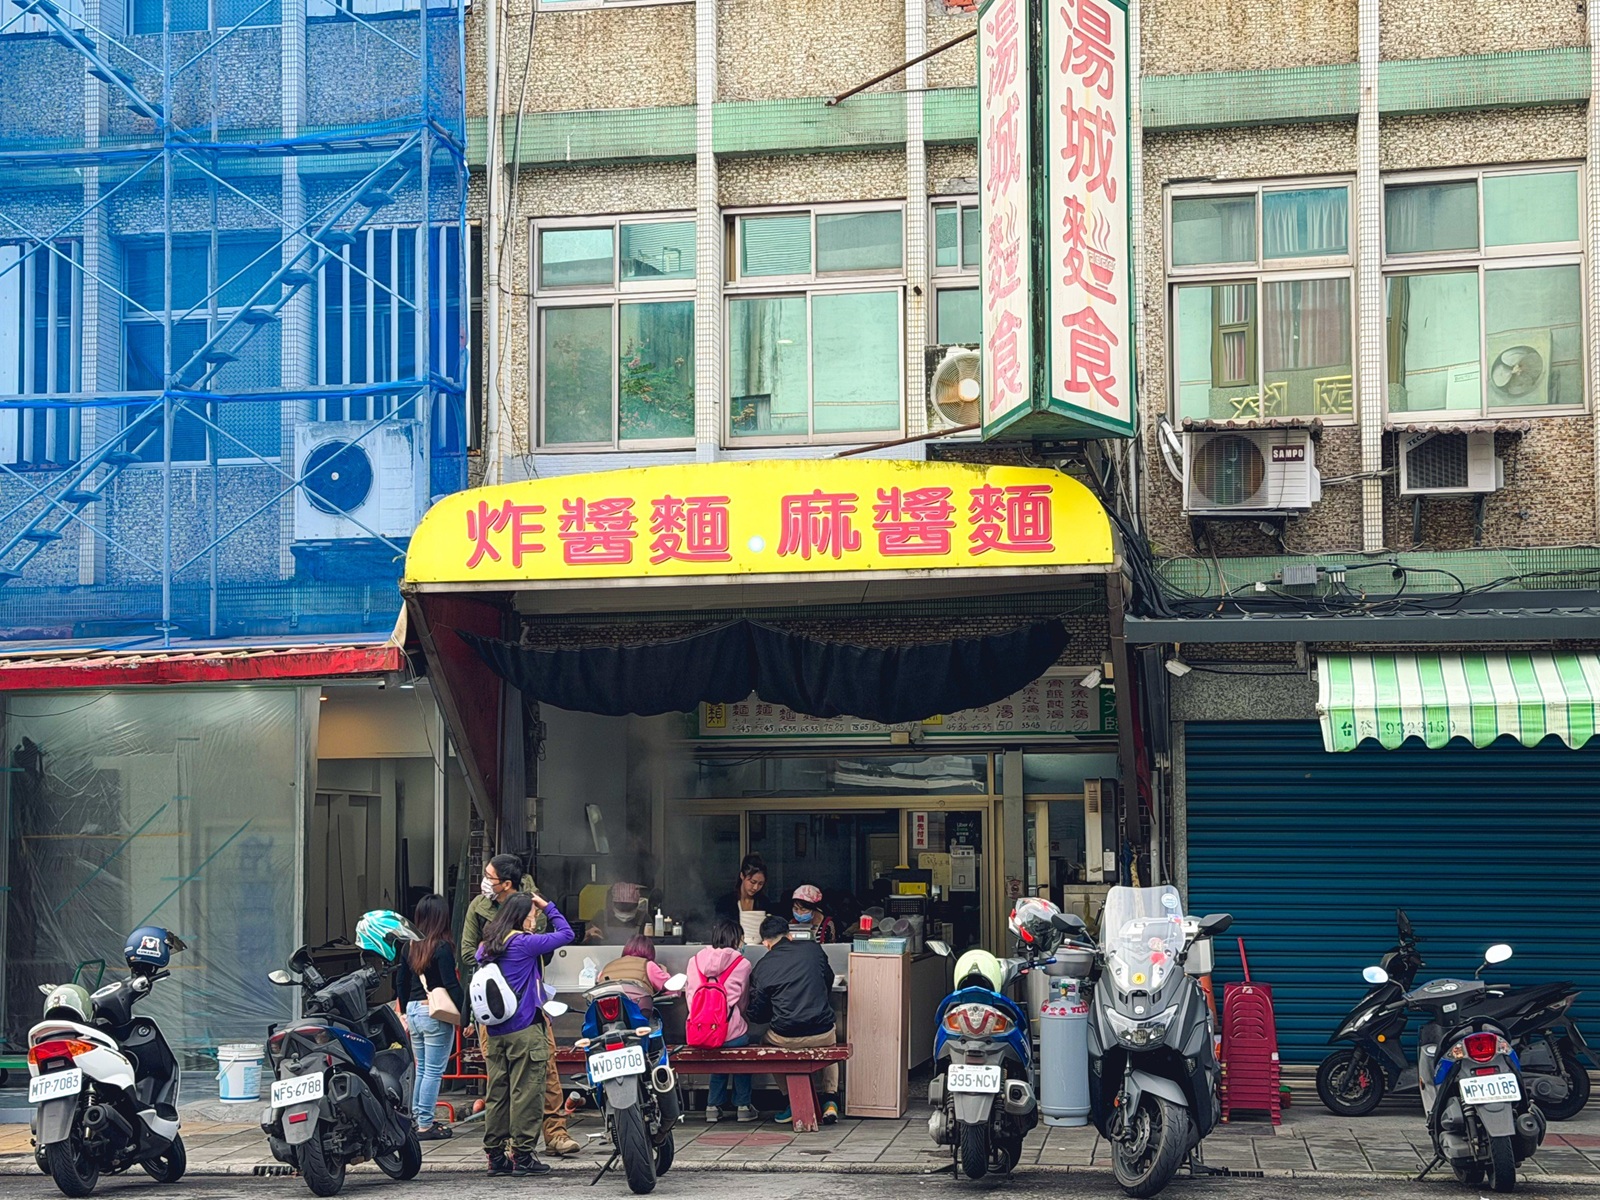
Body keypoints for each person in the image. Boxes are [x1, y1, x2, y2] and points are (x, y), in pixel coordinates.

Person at [460, 854, 581, 1157]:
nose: (484, 881)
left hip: (531, 1005)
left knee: (544, 1074)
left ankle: (551, 1134)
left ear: (507, 883)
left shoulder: (529, 903)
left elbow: (546, 952)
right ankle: (519, 1150)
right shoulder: (480, 908)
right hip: (496, 1008)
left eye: (490, 876)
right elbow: (466, 954)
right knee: (511, 1086)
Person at [476, 890, 574, 1177]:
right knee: (527, 1094)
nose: (535, 920)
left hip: (494, 1032)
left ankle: (496, 1155)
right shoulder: (524, 943)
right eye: (532, 916)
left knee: (498, 1095)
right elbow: (566, 934)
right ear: (521, 917)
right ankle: (522, 1155)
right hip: (524, 1030)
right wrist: (549, 905)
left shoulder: (487, 946)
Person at [747, 913, 839, 1125]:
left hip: (785, 1036)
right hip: (821, 1033)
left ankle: (790, 1101)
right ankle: (830, 1099)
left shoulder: (763, 966)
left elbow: (758, 1015)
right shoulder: (813, 949)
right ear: (789, 935)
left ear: (765, 943)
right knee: (832, 1036)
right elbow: (828, 980)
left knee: (766, 1043)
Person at [394, 894, 462, 1140]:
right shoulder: (441, 947)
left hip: (413, 1010)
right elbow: (451, 985)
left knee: (421, 1069)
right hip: (433, 1012)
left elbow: (400, 982)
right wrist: (465, 1015)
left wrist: (402, 1012)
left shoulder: (408, 946)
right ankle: (425, 1124)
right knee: (433, 1071)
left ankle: (416, 1119)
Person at [686, 918, 754, 1123]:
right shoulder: (742, 963)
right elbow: (743, 1001)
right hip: (730, 1030)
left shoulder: (694, 961)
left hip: (699, 1030)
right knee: (738, 1046)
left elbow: (690, 997)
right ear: (737, 940)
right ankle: (743, 1105)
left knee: (715, 1046)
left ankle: (712, 1106)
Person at [583, 881, 650, 944]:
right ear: (613, 903)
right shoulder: (601, 917)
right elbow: (583, 939)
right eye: (622, 905)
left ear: (637, 904)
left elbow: (653, 942)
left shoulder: (644, 918)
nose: (625, 909)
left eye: (629, 906)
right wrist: (587, 934)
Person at [714, 854, 771, 926]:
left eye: (760, 884)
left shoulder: (764, 902)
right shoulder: (726, 903)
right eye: (752, 882)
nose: (755, 887)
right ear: (742, 876)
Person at [597, 934, 670, 990]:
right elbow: (670, 989)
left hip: (605, 1006)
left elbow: (598, 983)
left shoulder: (608, 966)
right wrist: (664, 972)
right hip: (637, 1006)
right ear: (650, 951)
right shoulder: (648, 965)